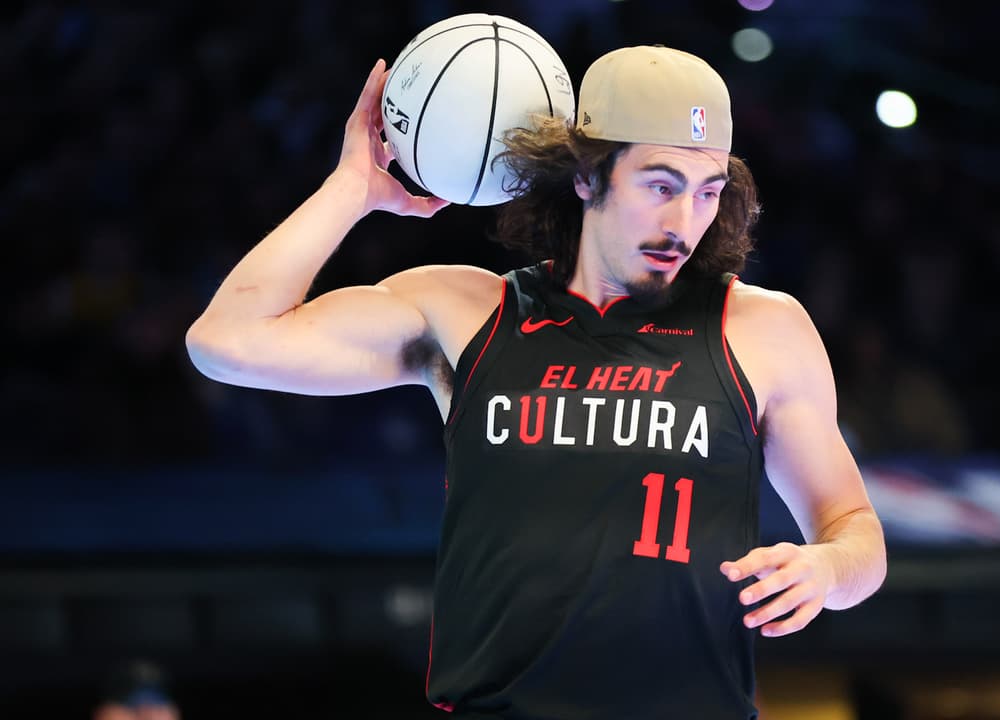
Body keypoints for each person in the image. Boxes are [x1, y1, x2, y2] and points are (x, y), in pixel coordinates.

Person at [187, 43, 886, 719]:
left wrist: (826, 571)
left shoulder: (761, 329)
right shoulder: (467, 312)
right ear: (586, 176)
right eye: (661, 186)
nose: (685, 222)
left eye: (708, 193)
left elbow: (857, 534)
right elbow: (226, 343)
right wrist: (350, 191)